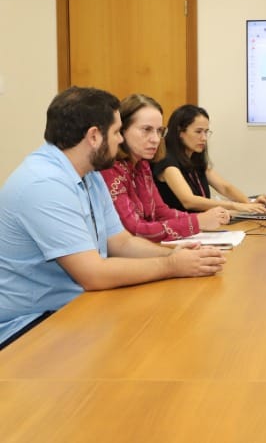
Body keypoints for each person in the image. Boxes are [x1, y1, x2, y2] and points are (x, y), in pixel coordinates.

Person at [0, 87, 226, 349]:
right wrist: (172, 266)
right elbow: (93, 274)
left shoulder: (90, 173)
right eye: (118, 132)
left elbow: (120, 242)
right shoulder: (44, 184)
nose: (120, 141)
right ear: (94, 136)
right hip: (28, 326)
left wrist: (177, 255)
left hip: (72, 309)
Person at [100, 94, 231, 242]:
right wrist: (197, 222)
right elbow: (135, 229)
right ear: (122, 130)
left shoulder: (142, 165)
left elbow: (160, 211)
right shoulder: (110, 170)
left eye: (159, 131)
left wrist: (203, 218)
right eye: (146, 130)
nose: (155, 139)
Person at [153, 104, 266, 213]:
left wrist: (250, 203)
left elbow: (225, 188)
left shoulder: (194, 158)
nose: (204, 138)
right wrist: (235, 206)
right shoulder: (167, 161)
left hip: (204, 225)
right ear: (180, 132)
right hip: (182, 230)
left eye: (206, 132)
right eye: (198, 132)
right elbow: (189, 201)